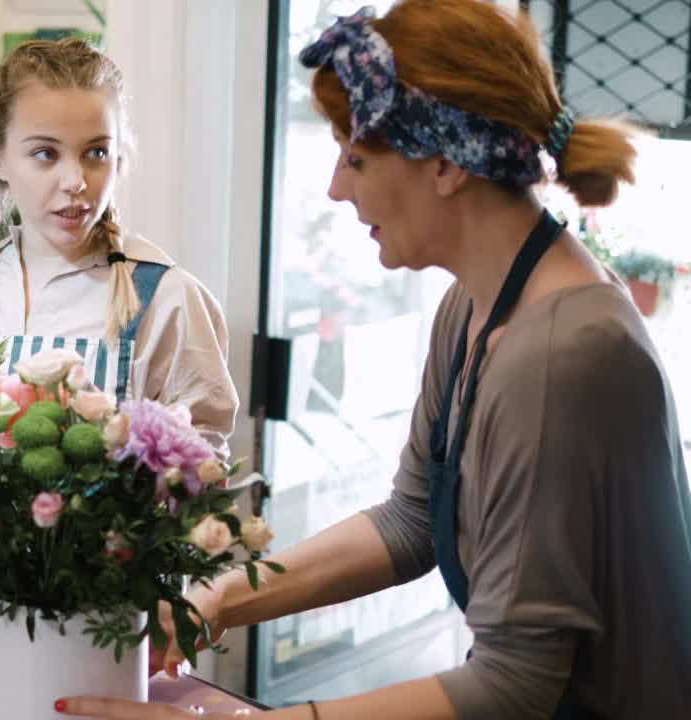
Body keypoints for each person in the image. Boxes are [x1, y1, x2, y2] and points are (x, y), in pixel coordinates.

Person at [58, 1, 691, 718]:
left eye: (356, 157)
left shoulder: (560, 351)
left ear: (447, 163)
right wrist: (218, 599)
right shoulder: (478, 306)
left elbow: (513, 686)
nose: (336, 186)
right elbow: (411, 522)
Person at [0, 38, 238, 448]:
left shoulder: (167, 300)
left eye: (96, 152)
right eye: (45, 154)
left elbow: (201, 463)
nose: (76, 182)